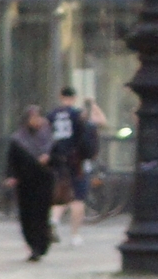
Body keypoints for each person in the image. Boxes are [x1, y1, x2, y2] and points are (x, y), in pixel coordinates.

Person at [48, 86, 96, 245]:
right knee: (78, 198)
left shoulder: (52, 115)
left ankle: (54, 219)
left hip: (57, 159)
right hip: (77, 161)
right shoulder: (78, 115)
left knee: (61, 194)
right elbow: (89, 132)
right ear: (74, 97)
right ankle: (75, 234)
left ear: (60, 97)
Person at [7, 106, 56, 260]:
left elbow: (59, 156)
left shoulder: (48, 136)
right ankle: (32, 245)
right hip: (25, 182)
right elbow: (12, 160)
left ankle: (41, 244)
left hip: (44, 180)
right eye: (32, 118)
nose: (36, 121)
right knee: (27, 215)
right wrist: (11, 176)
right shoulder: (18, 139)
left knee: (41, 214)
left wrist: (49, 159)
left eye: (38, 117)